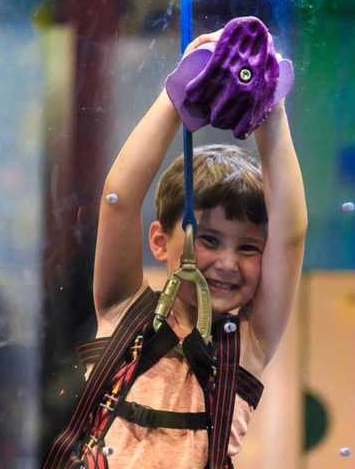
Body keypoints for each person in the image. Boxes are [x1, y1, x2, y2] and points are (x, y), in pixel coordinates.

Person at [43, 29, 307, 469]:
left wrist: (270, 106)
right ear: (160, 241)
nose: (227, 263)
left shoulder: (248, 344)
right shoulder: (120, 309)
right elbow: (118, 200)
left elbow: (291, 235)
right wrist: (178, 94)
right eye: (208, 239)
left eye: (248, 248)